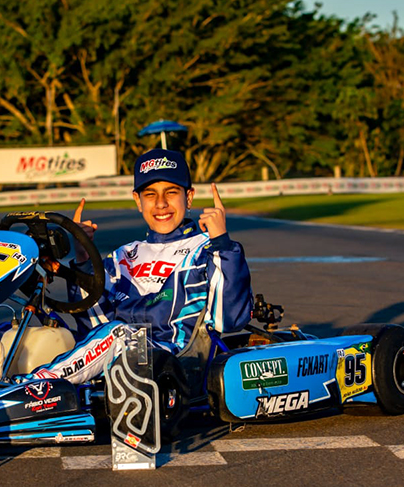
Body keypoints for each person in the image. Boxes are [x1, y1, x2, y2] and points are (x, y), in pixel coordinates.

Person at [17, 148, 254, 384]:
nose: (161, 204)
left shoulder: (206, 249)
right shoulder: (124, 256)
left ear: (189, 197)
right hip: (120, 359)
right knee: (21, 330)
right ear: (138, 201)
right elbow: (94, 325)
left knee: (118, 334)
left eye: (171, 192)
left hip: (176, 361)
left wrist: (221, 243)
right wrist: (83, 261)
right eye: (150, 194)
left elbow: (229, 319)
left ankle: (34, 386)